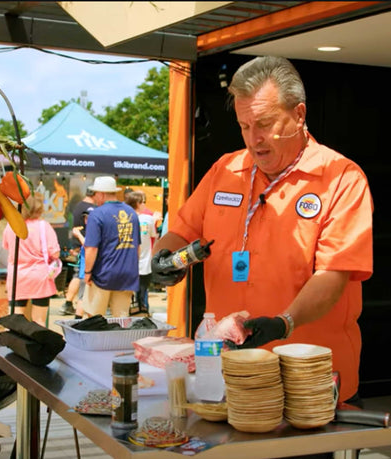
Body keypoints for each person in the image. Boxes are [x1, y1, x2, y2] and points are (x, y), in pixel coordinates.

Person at [152, 56, 373, 406]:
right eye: (244, 126)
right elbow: (181, 231)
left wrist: (284, 323)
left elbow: (332, 277)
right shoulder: (226, 169)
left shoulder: (342, 179)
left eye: (266, 124)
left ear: (299, 115)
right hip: (228, 381)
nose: (255, 140)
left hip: (307, 384)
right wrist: (163, 259)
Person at [82, 176, 140, 318]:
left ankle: (94, 342)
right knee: (121, 320)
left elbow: (91, 248)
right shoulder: (132, 213)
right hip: (127, 275)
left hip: (103, 274)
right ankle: (120, 341)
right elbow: (137, 247)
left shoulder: (97, 214)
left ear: (101, 194)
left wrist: (88, 272)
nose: (95, 198)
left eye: (95, 194)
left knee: (93, 319)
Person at [2, 192, 60, 327]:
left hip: (17, 276)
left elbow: (6, 246)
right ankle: (38, 347)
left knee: (16, 317)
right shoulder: (43, 226)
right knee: (39, 320)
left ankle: (15, 345)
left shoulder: (12, 226)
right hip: (39, 276)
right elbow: (55, 254)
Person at [59, 188, 95, 316]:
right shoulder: (92, 208)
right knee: (81, 279)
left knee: (78, 275)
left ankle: (68, 303)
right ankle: (71, 306)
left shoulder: (79, 205)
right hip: (85, 245)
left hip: (78, 244)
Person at [125, 190, 158, 315]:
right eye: (143, 202)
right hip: (145, 260)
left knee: (130, 292)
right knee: (143, 289)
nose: (145, 204)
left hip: (129, 262)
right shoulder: (148, 219)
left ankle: (132, 311)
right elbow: (153, 235)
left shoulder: (125, 218)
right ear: (138, 203)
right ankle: (143, 312)